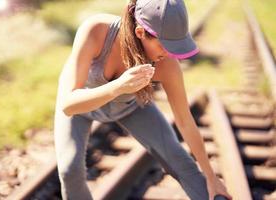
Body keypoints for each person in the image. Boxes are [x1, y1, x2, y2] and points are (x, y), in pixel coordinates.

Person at [53, 0, 233, 199]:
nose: (169, 53)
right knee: (69, 170)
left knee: (181, 163)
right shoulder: (97, 31)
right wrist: (118, 87)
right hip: (81, 105)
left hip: (130, 107)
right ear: (140, 33)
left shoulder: (168, 65)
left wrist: (210, 175)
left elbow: (185, 121)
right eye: (165, 45)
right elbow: (69, 106)